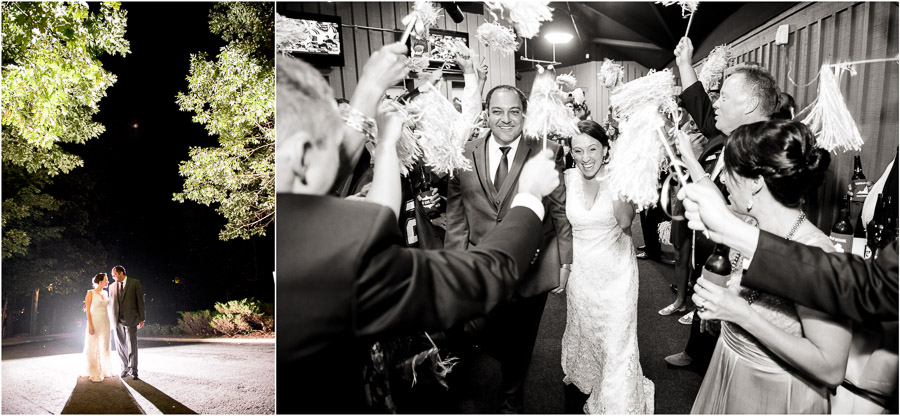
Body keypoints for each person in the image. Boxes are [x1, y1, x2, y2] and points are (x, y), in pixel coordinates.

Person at [275, 44, 564, 414]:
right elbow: (485, 273)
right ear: (302, 155)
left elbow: (376, 208)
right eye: (334, 126)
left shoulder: (301, 228)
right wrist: (529, 196)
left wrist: (376, 118)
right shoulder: (347, 246)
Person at [688, 119, 851, 413]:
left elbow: (831, 368)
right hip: (728, 369)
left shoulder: (816, 256)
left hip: (777, 394)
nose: (723, 179)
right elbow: (712, 208)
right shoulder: (750, 227)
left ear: (756, 183)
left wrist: (740, 314)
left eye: (728, 171)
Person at [444, 83, 573, 413]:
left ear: (524, 114)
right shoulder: (462, 153)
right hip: (480, 265)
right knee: (479, 329)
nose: (506, 119)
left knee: (523, 339)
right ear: (486, 114)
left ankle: (511, 398)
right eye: (497, 112)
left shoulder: (546, 149)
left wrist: (565, 260)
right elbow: (456, 216)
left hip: (531, 267)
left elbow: (559, 208)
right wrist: (455, 264)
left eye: (514, 111)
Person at [664, 35, 779, 368]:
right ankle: (697, 352)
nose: (715, 103)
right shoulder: (725, 133)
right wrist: (685, 62)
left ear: (747, 106)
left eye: (724, 97)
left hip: (743, 257)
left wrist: (690, 160)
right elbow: (700, 104)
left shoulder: (765, 149)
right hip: (713, 245)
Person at [555, 120, 654, 413]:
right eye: (578, 150)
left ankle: (617, 403)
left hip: (617, 275)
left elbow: (625, 221)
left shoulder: (621, 177)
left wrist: (616, 178)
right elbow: (559, 226)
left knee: (616, 340)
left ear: (606, 149)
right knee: (584, 331)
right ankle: (586, 378)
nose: (585, 158)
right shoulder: (567, 179)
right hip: (582, 273)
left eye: (593, 149)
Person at [109, 265, 145, 380]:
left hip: (131, 318)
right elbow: (111, 304)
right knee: (120, 345)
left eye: (114, 275)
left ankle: (134, 370)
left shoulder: (134, 283)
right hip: (117, 320)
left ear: (121, 273)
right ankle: (124, 368)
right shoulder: (112, 287)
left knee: (132, 344)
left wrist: (141, 318)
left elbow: (140, 301)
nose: (113, 277)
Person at [84, 273, 114, 382]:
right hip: (95, 321)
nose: (107, 282)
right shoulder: (90, 293)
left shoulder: (105, 293)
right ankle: (94, 372)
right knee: (94, 345)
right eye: (106, 280)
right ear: (100, 281)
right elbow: (87, 310)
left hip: (105, 321)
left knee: (105, 345)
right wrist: (90, 325)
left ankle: (105, 369)